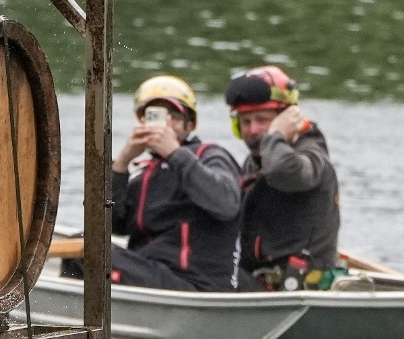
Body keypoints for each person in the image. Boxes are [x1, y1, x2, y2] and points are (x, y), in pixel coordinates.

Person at [103, 75, 243, 291]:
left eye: (174, 117)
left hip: (195, 282)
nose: (164, 126)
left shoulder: (210, 156)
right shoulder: (145, 174)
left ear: (190, 124)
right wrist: (121, 164)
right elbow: (105, 225)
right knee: (83, 246)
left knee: (87, 251)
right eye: (153, 117)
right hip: (152, 273)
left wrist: (174, 153)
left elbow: (226, 204)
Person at [224, 65, 341, 291]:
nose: (253, 130)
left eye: (262, 120)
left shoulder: (311, 156)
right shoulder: (255, 161)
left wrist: (275, 136)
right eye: (245, 122)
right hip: (255, 284)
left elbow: (284, 172)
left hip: (295, 293)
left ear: (288, 118)